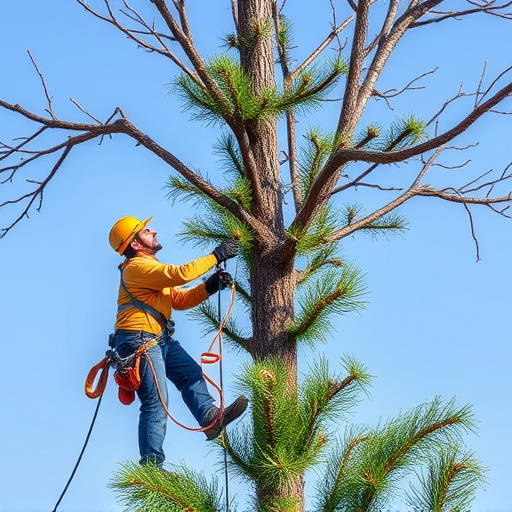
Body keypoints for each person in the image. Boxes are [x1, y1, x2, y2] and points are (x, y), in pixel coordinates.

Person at [108, 215, 248, 466]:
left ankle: (209, 417)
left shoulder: (150, 269)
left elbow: (179, 300)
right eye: (146, 230)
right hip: (140, 339)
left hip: (157, 338)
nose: (154, 231)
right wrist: (216, 255)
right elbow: (181, 274)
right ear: (136, 244)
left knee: (190, 373)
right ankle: (151, 464)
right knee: (156, 400)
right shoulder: (139, 268)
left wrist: (210, 286)